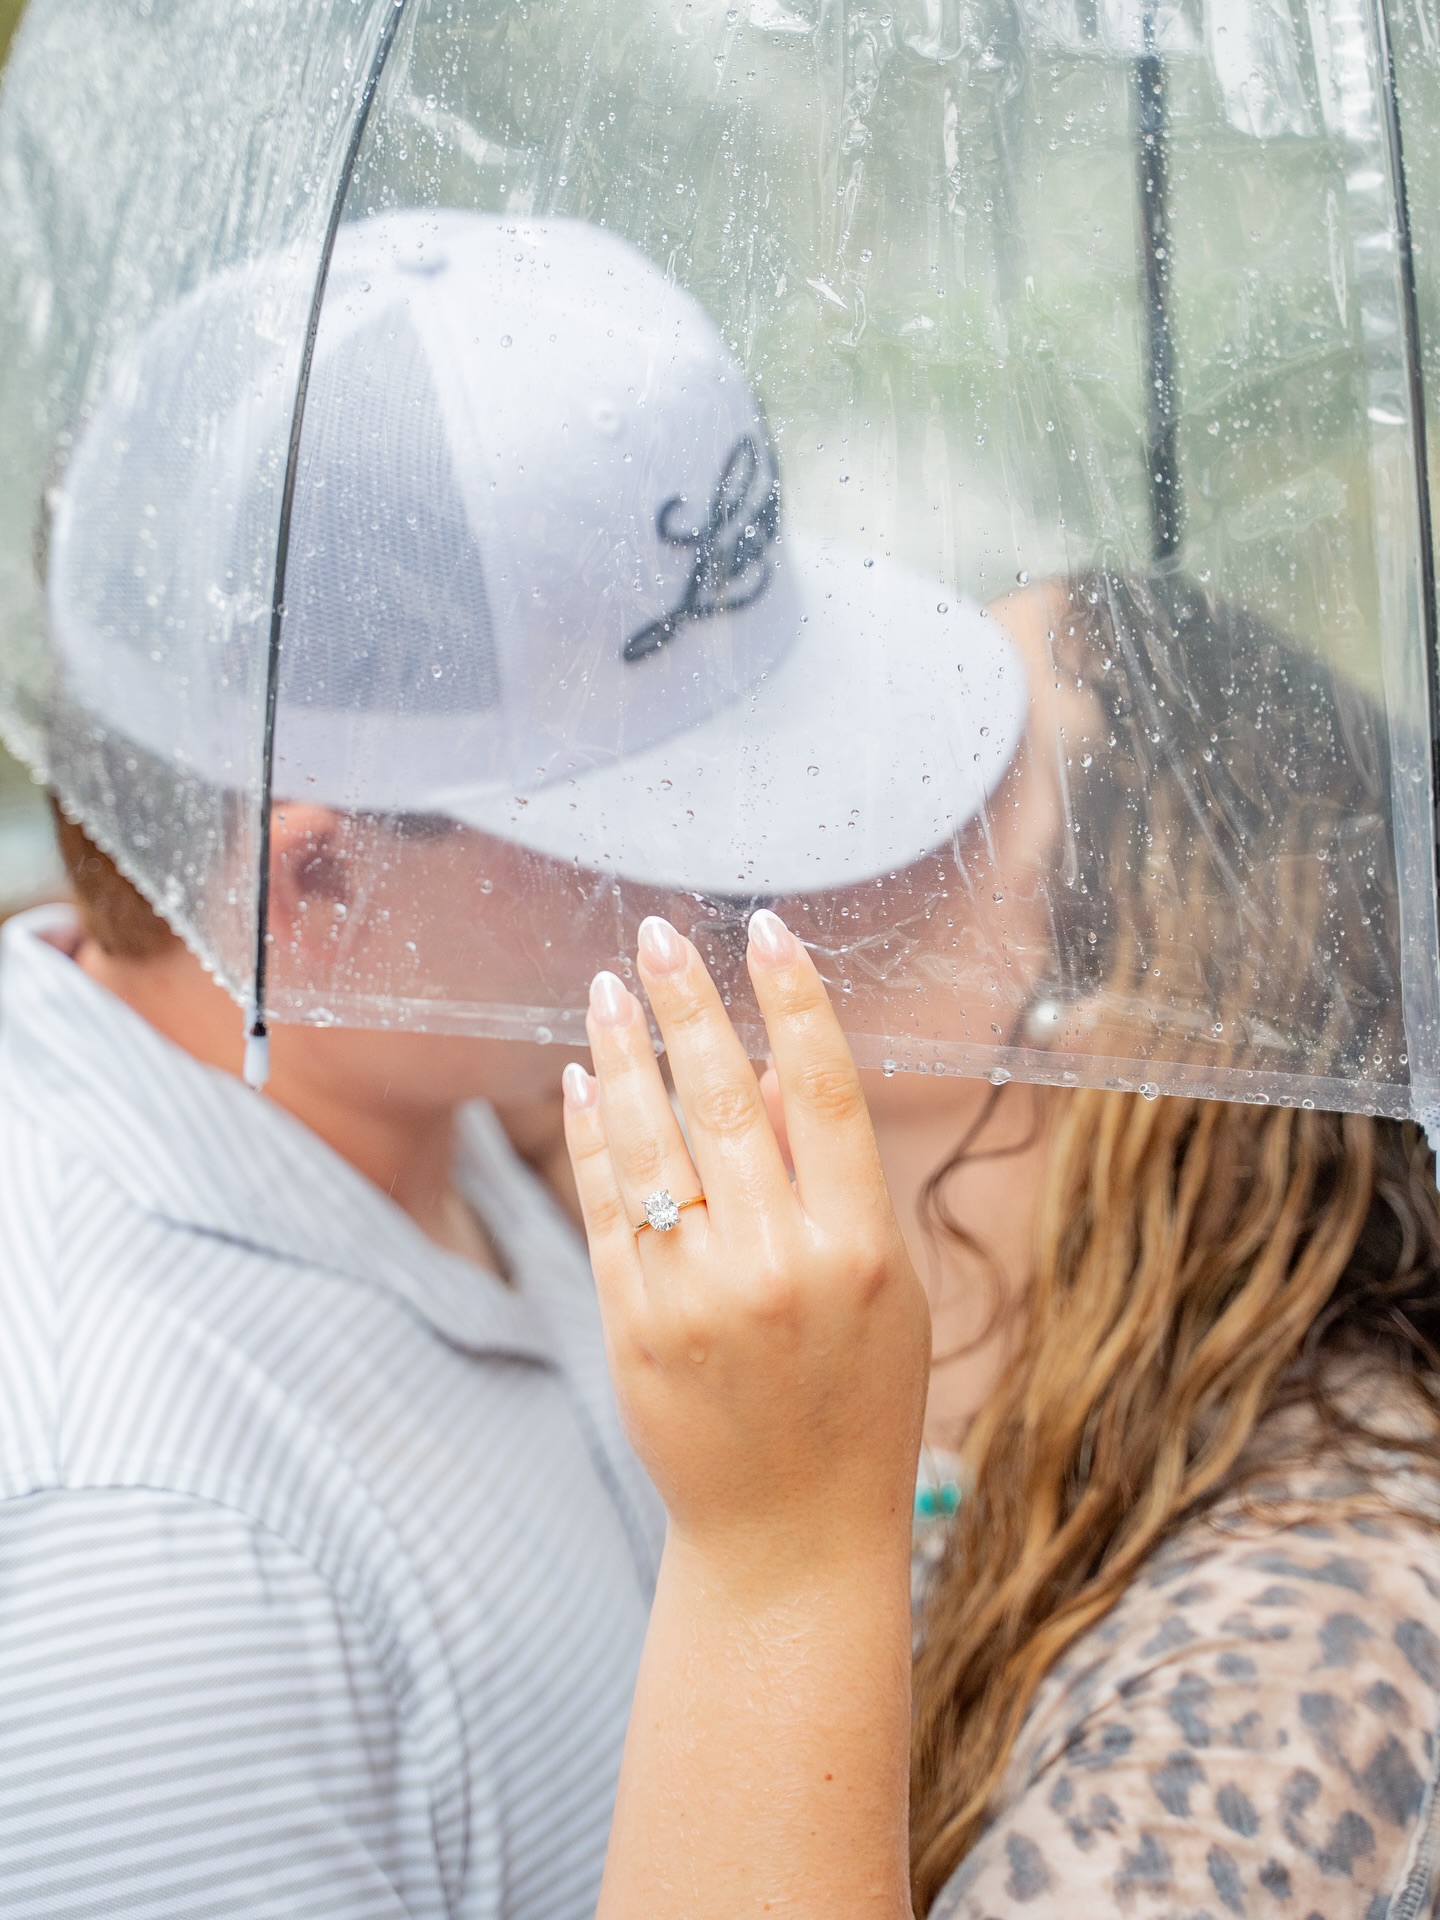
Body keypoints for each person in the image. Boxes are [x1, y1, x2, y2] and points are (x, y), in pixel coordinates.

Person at [0, 208, 1024, 1917]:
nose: (731, 873)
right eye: (652, 808)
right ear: (318, 884)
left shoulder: (402, 1098)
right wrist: (783, 1549)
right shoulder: (146, 1557)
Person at [562, 571, 1440, 1919]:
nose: (818, 790)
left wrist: (776, 1554)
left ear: (1132, 975)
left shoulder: (1307, 1629)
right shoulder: (996, 1430)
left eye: (953, 754)